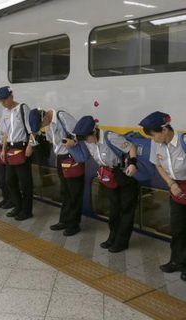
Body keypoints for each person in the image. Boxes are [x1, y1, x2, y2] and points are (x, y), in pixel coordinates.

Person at [73, 116, 138, 252]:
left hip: (123, 174)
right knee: (114, 209)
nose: (86, 142)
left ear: (94, 132)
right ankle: (112, 237)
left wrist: (132, 164)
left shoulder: (110, 137)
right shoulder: (88, 141)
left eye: (87, 138)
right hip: (109, 176)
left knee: (126, 209)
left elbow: (131, 147)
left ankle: (122, 241)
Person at [139, 112, 186, 281]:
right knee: (178, 227)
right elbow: (158, 165)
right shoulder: (156, 144)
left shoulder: (183, 142)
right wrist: (171, 184)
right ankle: (177, 260)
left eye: (154, 134)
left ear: (164, 130)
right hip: (175, 188)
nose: (153, 139)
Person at [29, 108, 85, 236]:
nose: (42, 127)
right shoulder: (48, 124)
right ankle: (64, 220)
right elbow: (52, 141)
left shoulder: (63, 117)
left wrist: (74, 141)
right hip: (60, 158)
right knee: (65, 191)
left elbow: (80, 134)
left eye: (41, 124)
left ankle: (74, 225)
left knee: (74, 192)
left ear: (45, 116)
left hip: (72, 158)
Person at [0, 86, 34, 221]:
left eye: (4, 100)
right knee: (10, 180)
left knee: (25, 182)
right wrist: (3, 149)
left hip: (23, 147)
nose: (3, 103)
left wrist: (30, 146)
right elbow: (6, 132)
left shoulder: (23, 109)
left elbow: (32, 130)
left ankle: (27, 210)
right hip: (11, 149)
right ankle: (17, 206)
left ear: (11, 97)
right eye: (0, 101)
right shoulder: (5, 111)